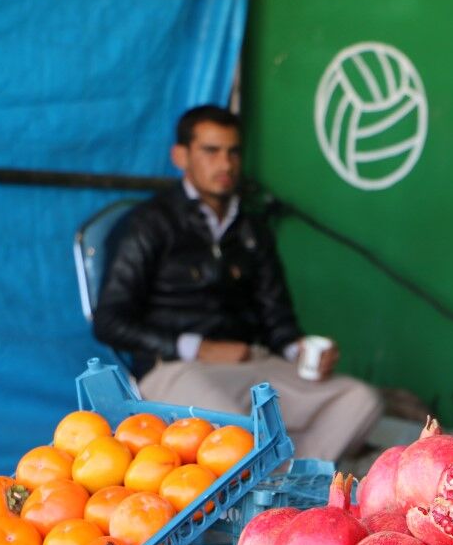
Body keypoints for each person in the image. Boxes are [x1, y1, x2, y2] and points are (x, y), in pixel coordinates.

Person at [93, 105, 382, 462]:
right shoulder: (149, 224)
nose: (225, 164)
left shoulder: (251, 228)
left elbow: (278, 321)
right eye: (211, 151)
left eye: (233, 152)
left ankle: (284, 482)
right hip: (174, 369)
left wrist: (301, 352)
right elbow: (109, 321)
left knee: (360, 400)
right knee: (235, 430)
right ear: (180, 156)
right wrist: (197, 347)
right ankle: (275, 478)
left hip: (251, 365)